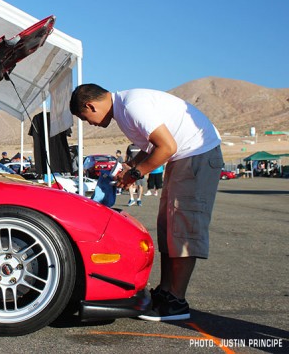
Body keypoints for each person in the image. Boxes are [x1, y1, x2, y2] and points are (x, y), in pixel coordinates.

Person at [70, 83, 222, 322]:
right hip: (183, 159)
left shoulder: (132, 106)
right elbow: (150, 148)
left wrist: (135, 174)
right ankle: (166, 290)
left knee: (183, 228)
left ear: (90, 105)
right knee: (169, 227)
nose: (89, 123)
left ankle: (176, 301)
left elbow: (167, 147)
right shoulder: (124, 110)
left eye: (85, 117)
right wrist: (129, 169)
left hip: (196, 156)